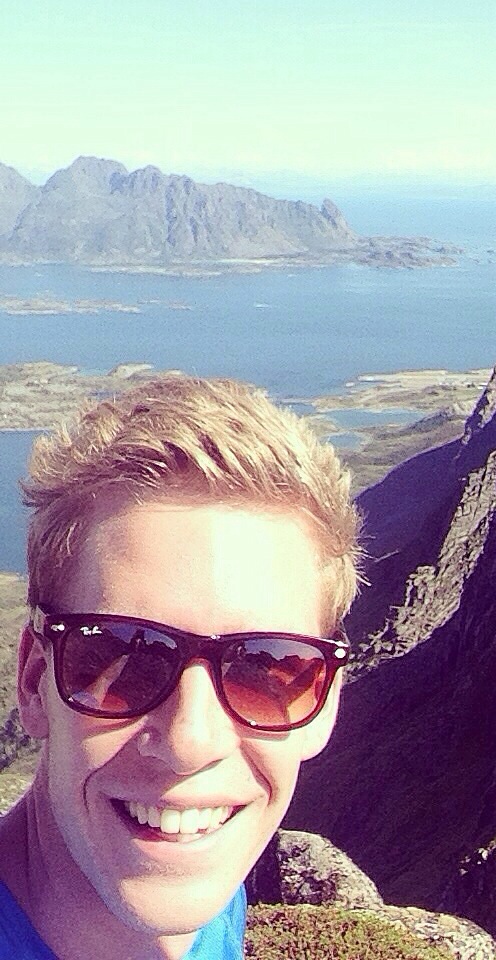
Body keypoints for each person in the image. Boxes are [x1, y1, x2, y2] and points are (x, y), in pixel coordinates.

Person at [0, 376, 360, 959]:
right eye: (124, 655)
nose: (191, 743)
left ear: (325, 703)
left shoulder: (212, 891)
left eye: (263, 670)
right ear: (35, 680)